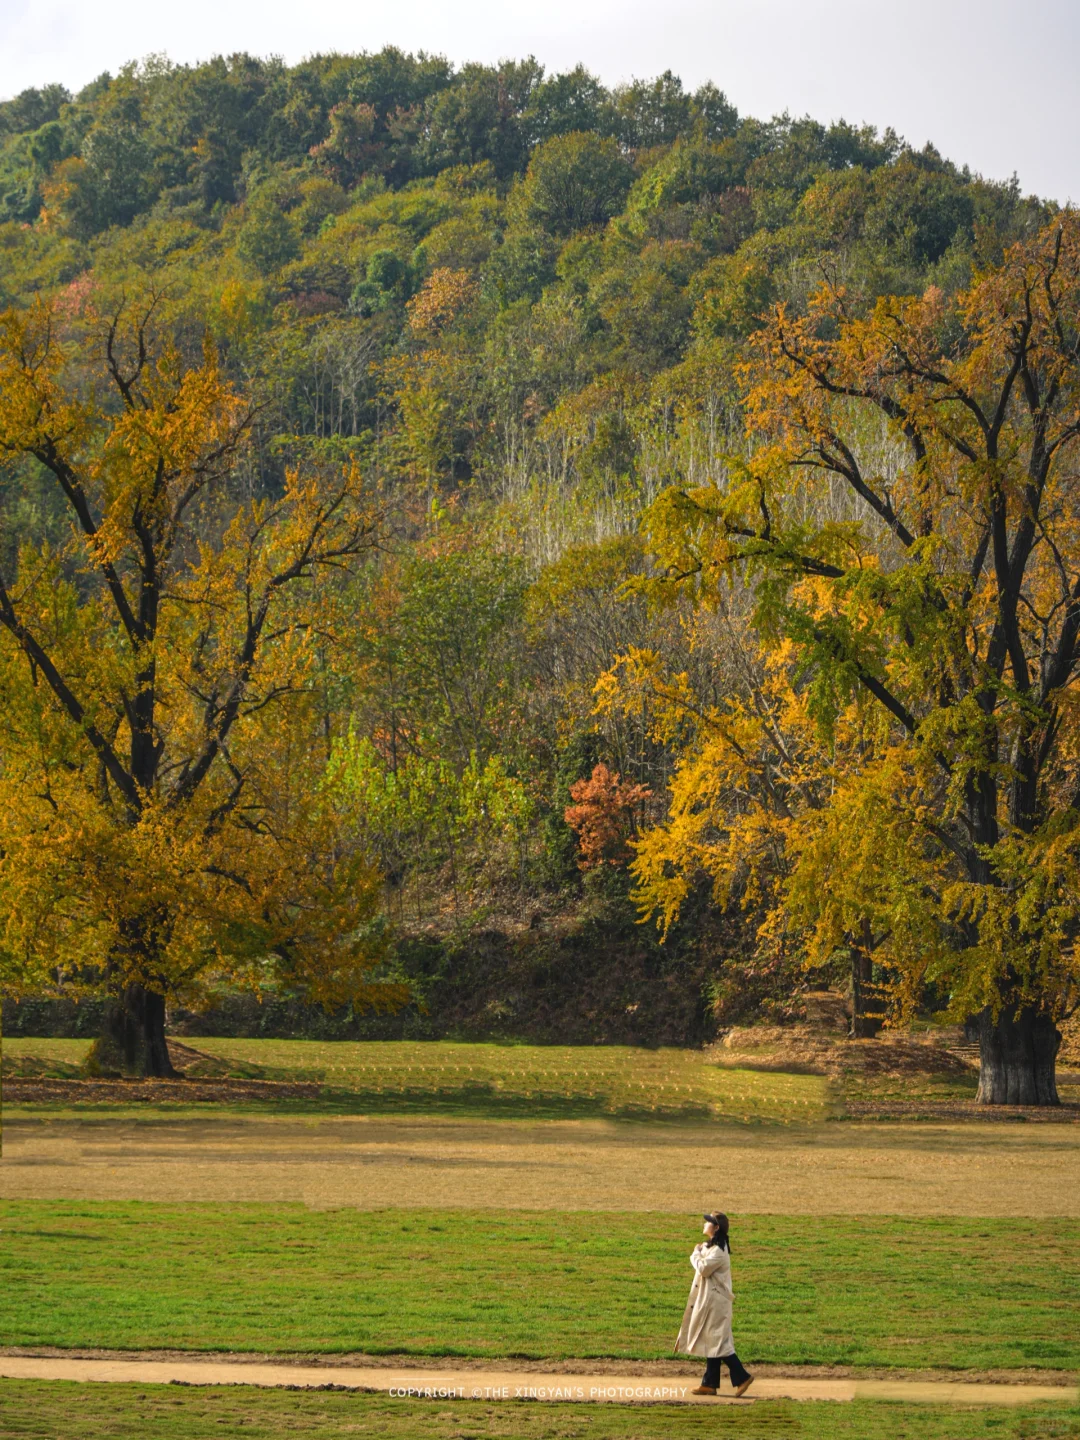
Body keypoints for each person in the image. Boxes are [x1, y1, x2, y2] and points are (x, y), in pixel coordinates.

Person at [674, 1211, 754, 1398]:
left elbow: (703, 1269)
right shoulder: (714, 1247)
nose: (704, 1224)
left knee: (719, 1342)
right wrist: (701, 1250)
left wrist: (695, 1253)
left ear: (716, 1228)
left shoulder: (718, 1251)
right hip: (712, 1301)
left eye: (708, 1222)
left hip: (716, 1303)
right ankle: (709, 1383)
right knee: (713, 1339)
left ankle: (742, 1377)